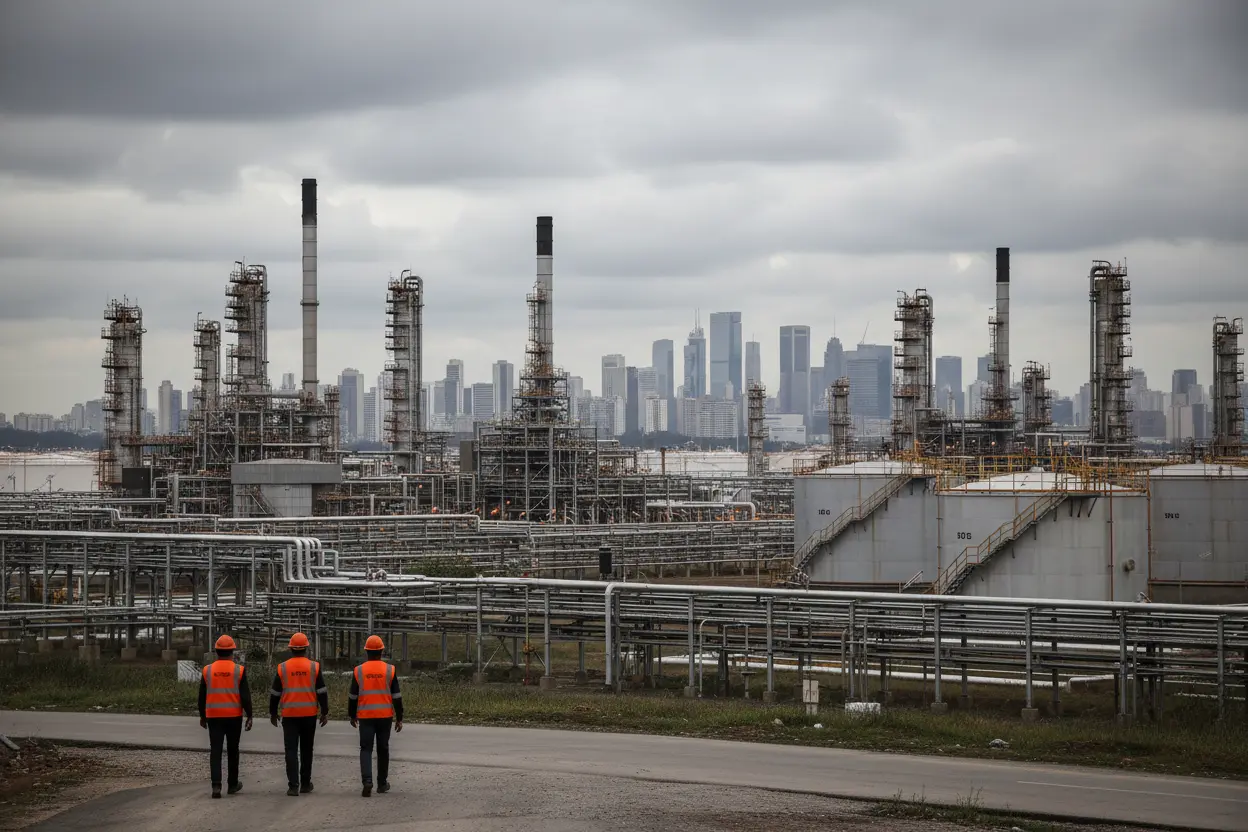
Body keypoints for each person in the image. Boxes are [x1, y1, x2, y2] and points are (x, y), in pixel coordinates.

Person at [269, 632, 329, 797]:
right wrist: (324, 711)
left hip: (289, 714)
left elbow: (275, 693)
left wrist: (273, 713)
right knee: (306, 749)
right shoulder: (314, 667)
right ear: (306, 648)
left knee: (291, 750)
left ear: (291, 649)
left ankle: (293, 786)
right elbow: (322, 691)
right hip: (309, 714)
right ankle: (305, 784)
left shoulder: (282, 668)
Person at [198, 634, 253, 798]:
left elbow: (202, 696)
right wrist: (249, 715)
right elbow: (245, 696)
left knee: (215, 751)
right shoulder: (239, 670)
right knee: (233, 750)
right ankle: (233, 784)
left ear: (216, 652)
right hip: (233, 716)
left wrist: (202, 716)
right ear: (232, 651)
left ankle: (216, 786)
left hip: (213, 716)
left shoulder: (207, 670)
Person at [348, 634, 403, 797]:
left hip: (365, 716)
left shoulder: (359, 671)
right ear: (381, 651)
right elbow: (397, 696)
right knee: (383, 749)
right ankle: (382, 783)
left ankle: (367, 782)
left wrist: (352, 715)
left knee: (365, 748)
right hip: (384, 716)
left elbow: (353, 696)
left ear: (366, 652)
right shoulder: (389, 670)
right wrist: (399, 717)